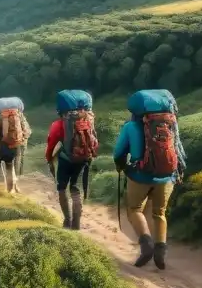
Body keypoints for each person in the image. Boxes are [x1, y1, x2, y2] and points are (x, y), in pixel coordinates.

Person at [113, 89, 187, 270]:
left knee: (135, 209)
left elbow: (118, 153)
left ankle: (146, 246)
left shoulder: (130, 127)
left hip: (140, 175)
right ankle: (160, 254)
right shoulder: (171, 124)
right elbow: (179, 151)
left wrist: (121, 165)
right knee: (159, 213)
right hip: (167, 176)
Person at [45, 90, 99, 229]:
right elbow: (94, 140)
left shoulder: (58, 125)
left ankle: (67, 220)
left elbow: (51, 145)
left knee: (62, 188)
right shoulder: (89, 120)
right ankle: (76, 224)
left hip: (66, 160)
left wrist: (49, 159)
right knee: (76, 189)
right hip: (84, 160)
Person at [0, 96, 31, 193]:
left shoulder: (0, 117)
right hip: (18, 145)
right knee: (15, 167)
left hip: (6, 145)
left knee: (9, 168)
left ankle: (10, 190)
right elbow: (27, 131)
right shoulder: (20, 116)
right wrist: (22, 140)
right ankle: (15, 187)